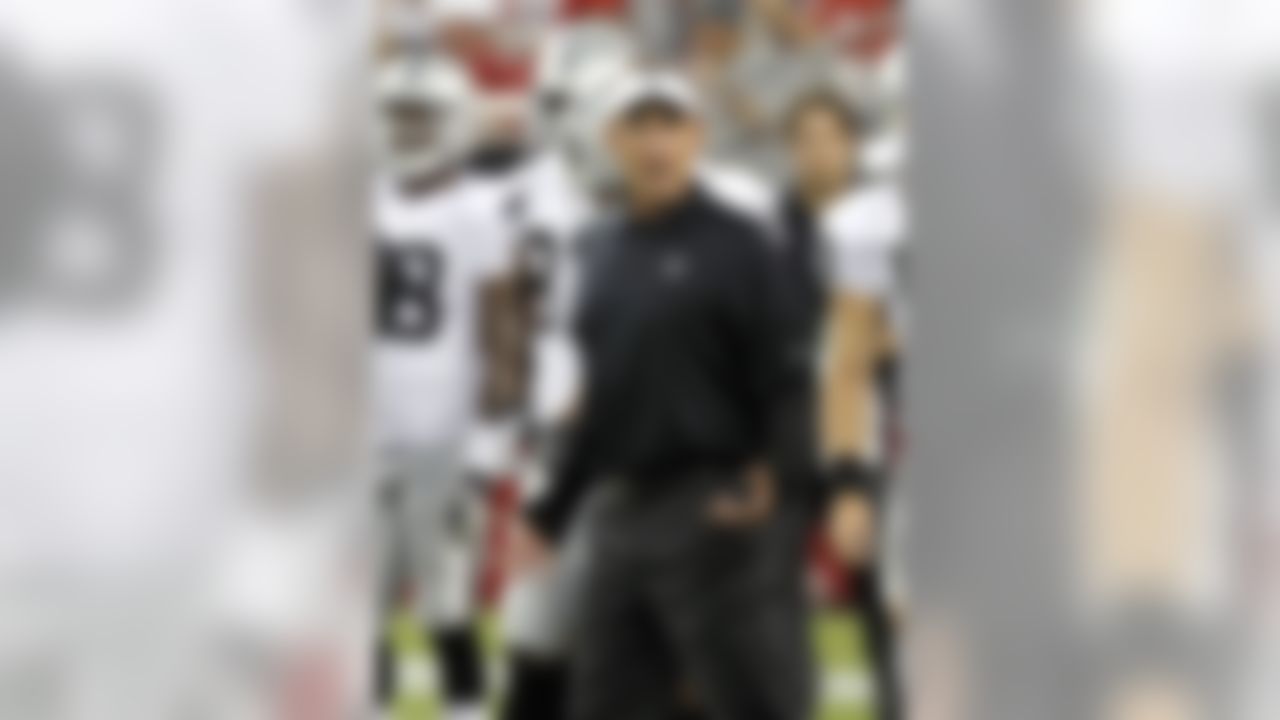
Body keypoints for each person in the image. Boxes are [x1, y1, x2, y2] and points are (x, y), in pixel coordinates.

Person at [513, 69, 811, 720]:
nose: (656, 144)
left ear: (698, 136)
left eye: (670, 125)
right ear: (612, 140)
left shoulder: (741, 242)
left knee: (753, 701)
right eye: (639, 127)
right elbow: (600, 393)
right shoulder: (599, 249)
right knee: (603, 704)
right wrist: (552, 511)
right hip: (619, 512)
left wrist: (778, 482)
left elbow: (786, 375)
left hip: (713, 506)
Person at [369, 54, 515, 720]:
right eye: (396, 116)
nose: (405, 131)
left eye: (419, 116)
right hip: (362, 438)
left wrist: (485, 449)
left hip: (442, 439)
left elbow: (503, 338)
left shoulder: (482, 211)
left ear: (455, 122)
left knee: (447, 608)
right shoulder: (360, 198)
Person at [781, 88, 907, 720]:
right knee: (774, 602)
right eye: (805, 138)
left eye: (831, 137)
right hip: (791, 423)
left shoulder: (890, 218)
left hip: (883, 424)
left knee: (886, 603)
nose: (818, 151)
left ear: (854, 145)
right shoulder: (769, 227)